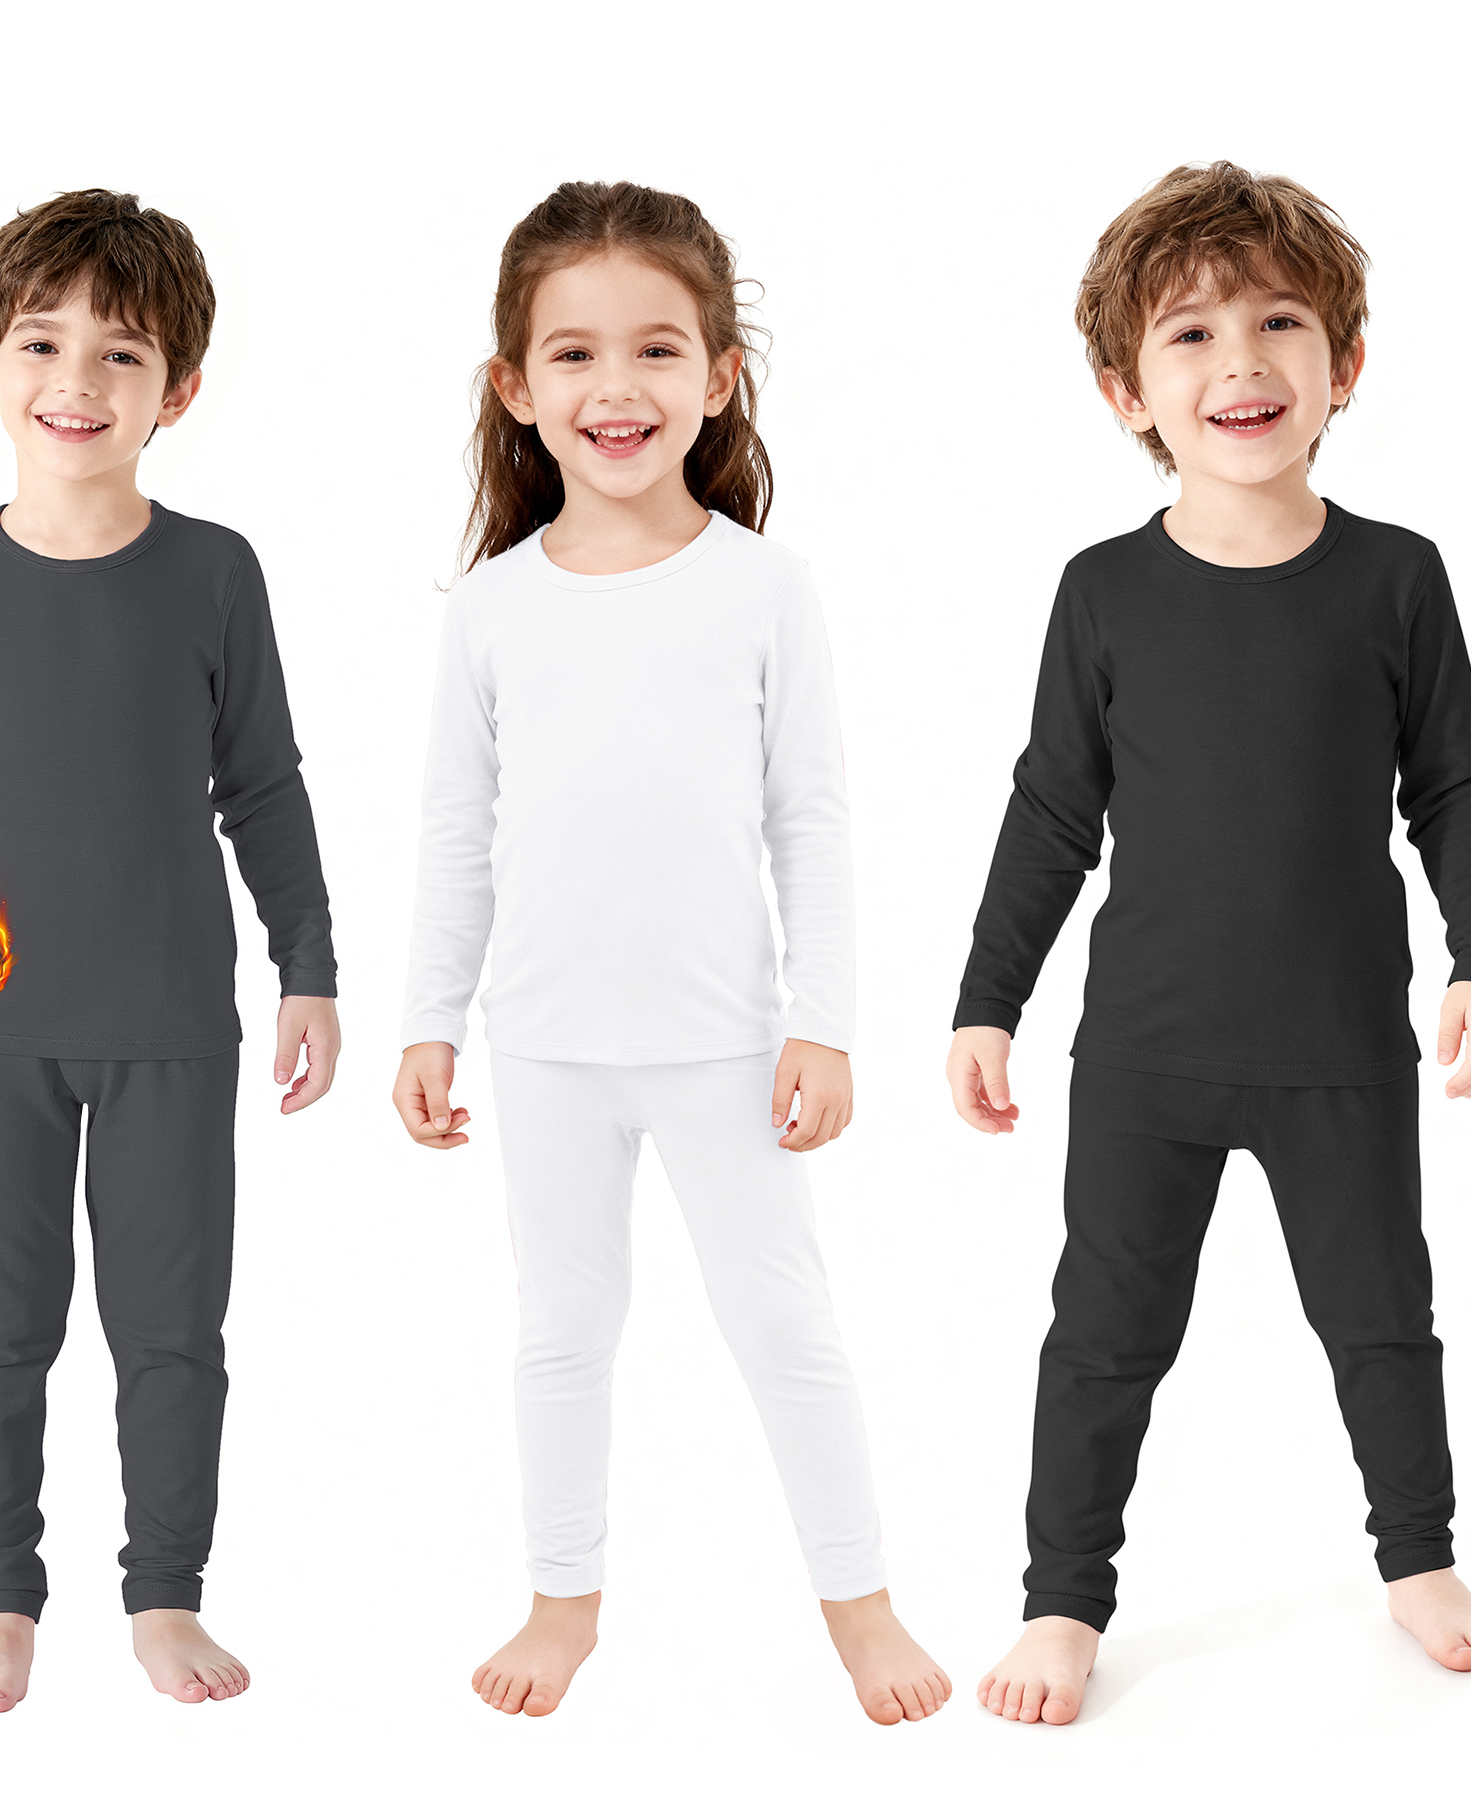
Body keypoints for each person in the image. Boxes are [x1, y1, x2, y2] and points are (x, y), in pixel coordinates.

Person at [947, 162, 1471, 1726]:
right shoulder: (1104, 592)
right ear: (1126, 391)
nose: (1241, 362)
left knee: (1383, 1321)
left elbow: (1452, 786)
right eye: (1191, 334)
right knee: (1104, 1340)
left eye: (1279, 322)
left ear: (1345, 362)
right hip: (1147, 1055)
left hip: (1342, 1049)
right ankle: (1063, 1601)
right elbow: (1052, 811)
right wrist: (988, 1002)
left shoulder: (1396, 577)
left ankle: (1419, 1563)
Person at [393, 180, 947, 1726]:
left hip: (723, 1045)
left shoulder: (764, 589)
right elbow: (454, 833)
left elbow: (811, 819)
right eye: (573, 354)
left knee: (785, 1327)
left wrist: (824, 1020)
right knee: (562, 1333)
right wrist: (430, 1017)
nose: (616, 387)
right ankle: (561, 1603)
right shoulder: (491, 611)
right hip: (545, 1045)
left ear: (719, 376)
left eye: (655, 349)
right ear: (517, 387)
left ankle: (862, 1609)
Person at [0, 189, 341, 1712]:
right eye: (44, 343)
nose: (77, 380)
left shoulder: (215, 572)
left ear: (178, 388)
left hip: (173, 1017)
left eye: (123, 352)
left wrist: (308, 964)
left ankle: (165, 1596)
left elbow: (263, 784)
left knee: (172, 1332)